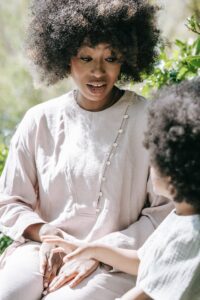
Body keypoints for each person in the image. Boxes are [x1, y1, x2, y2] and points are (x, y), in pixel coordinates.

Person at [0, 1, 173, 300]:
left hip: (116, 260)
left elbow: (164, 213)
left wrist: (99, 252)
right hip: (42, 248)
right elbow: (10, 201)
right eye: (86, 57)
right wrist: (49, 237)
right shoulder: (39, 119)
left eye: (111, 57)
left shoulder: (149, 120)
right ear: (65, 57)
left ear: (127, 59)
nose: (98, 71)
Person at [45, 78, 200, 300]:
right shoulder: (182, 218)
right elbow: (144, 262)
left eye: (155, 155)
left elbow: (144, 294)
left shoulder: (191, 237)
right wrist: (90, 249)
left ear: (175, 169)